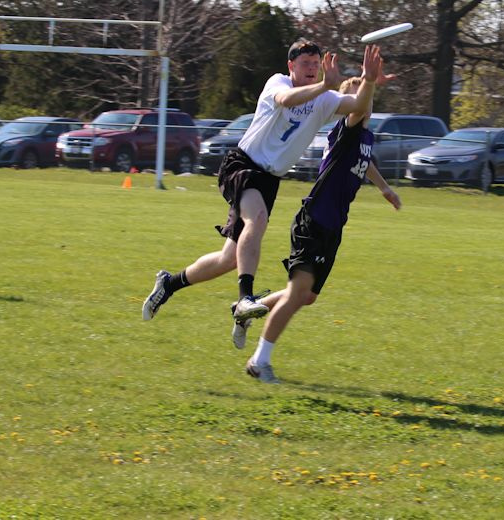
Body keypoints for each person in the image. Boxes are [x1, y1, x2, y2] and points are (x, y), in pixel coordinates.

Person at [141, 40, 384, 331]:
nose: (311, 69)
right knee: (256, 220)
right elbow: (286, 100)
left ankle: (169, 283)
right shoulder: (278, 83)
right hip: (243, 165)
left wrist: (369, 80)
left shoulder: (325, 99)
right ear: (291, 66)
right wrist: (323, 86)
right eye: (305, 64)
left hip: (269, 180)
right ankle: (244, 299)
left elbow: (358, 106)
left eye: (315, 64)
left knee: (229, 259)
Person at [244, 70, 400, 384]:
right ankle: (259, 362)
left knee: (307, 296)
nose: (363, 103)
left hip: (333, 225)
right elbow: (356, 111)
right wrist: (368, 80)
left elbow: (366, 161)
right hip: (314, 220)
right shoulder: (347, 129)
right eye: (356, 98)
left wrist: (384, 188)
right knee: (297, 292)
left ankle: (248, 308)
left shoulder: (364, 137)